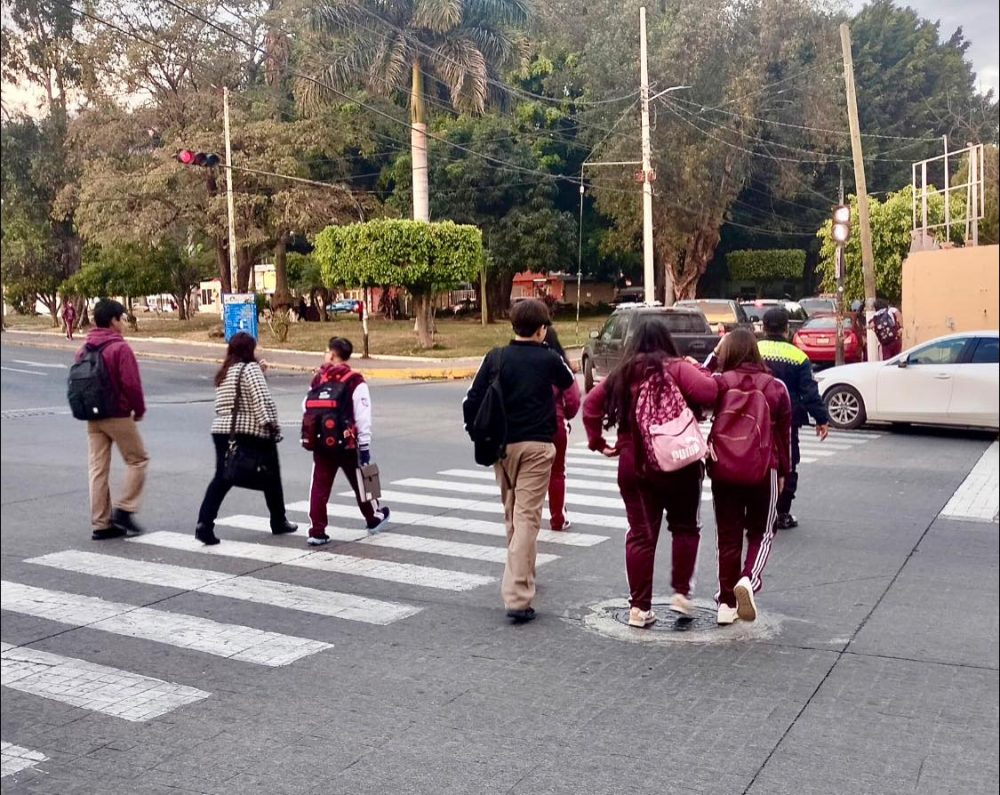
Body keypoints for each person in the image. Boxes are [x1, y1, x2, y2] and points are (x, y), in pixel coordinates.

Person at [582, 314, 718, 628]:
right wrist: (697, 367)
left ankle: (639, 608)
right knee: (685, 528)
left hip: (635, 463)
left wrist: (597, 441)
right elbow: (710, 393)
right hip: (679, 462)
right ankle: (681, 593)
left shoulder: (622, 373)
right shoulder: (678, 368)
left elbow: (590, 406)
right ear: (667, 341)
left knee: (641, 535)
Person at [463, 299, 575, 624]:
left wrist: (477, 432)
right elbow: (570, 387)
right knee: (526, 518)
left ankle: (524, 575)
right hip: (537, 448)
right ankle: (517, 596)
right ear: (542, 330)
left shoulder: (495, 357)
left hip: (502, 448)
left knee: (513, 514)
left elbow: (470, 400)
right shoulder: (549, 359)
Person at [709, 329, 792, 625]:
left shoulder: (718, 384)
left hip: (723, 470)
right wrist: (784, 472)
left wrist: (713, 356)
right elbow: (784, 435)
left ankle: (726, 603)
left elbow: (695, 385)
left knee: (727, 537)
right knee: (762, 531)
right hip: (764, 468)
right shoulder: (775, 387)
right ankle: (748, 579)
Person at [195, 332, 296, 545]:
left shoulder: (225, 371)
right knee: (271, 474)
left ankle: (204, 523)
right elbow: (262, 400)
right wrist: (272, 426)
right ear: (250, 350)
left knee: (222, 477)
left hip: (221, 431)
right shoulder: (250, 369)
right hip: (250, 431)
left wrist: (260, 372)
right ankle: (278, 520)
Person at [303, 336, 390, 545]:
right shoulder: (355, 380)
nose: (325, 355)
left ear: (333, 355)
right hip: (348, 442)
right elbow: (362, 416)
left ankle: (317, 531)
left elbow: (306, 406)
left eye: (327, 351)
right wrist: (364, 446)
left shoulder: (318, 379)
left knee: (319, 486)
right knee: (362, 480)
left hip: (321, 442)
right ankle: (373, 517)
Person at [76, 299, 149, 540]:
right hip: (116, 413)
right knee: (137, 459)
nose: (124, 323)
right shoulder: (120, 348)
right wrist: (138, 410)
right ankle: (125, 509)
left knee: (98, 469)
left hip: (92, 415)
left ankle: (101, 523)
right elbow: (131, 384)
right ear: (113, 321)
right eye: (122, 319)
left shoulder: (85, 348)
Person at [758, 307, 829, 530]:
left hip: (755, 417)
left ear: (764, 328)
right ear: (787, 329)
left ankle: (757, 512)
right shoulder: (798, 356)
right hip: (787, 420)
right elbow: (809, 392)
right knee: (787, 463)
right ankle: (781, 513)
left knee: (757, 460)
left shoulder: (753, 350)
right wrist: (821, 419)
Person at [543, 327, 582, 532]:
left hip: (525, 427)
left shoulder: (521, 361)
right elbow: (573, 399)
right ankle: (558, 518)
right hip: (556, 424)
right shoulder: (560, 365)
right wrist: (565, 416)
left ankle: (521, 518)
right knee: (557, 472)